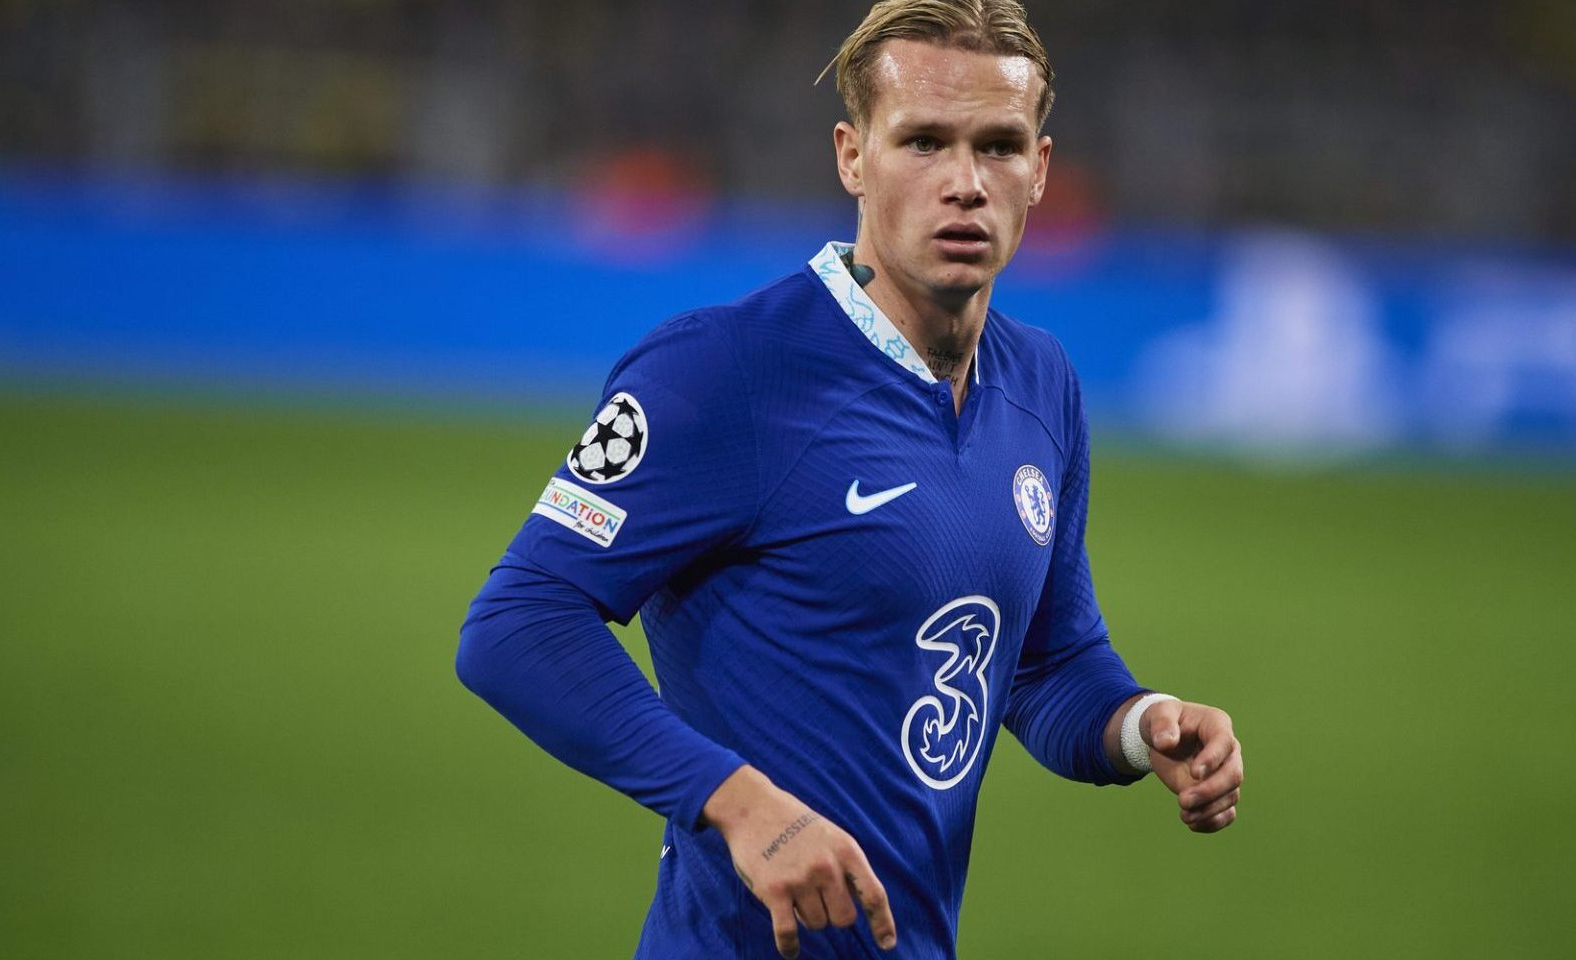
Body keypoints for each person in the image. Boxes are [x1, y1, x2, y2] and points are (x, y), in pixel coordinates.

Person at [455, 1, 1244, 957]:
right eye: (922, 142)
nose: (964, 183)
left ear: (1039, 168)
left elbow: (1041, 661)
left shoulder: (1043, 388)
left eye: (997, 146)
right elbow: (518, 620)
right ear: (852, 156)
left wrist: (1141, 725)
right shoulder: (723, 374)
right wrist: (741, 806)